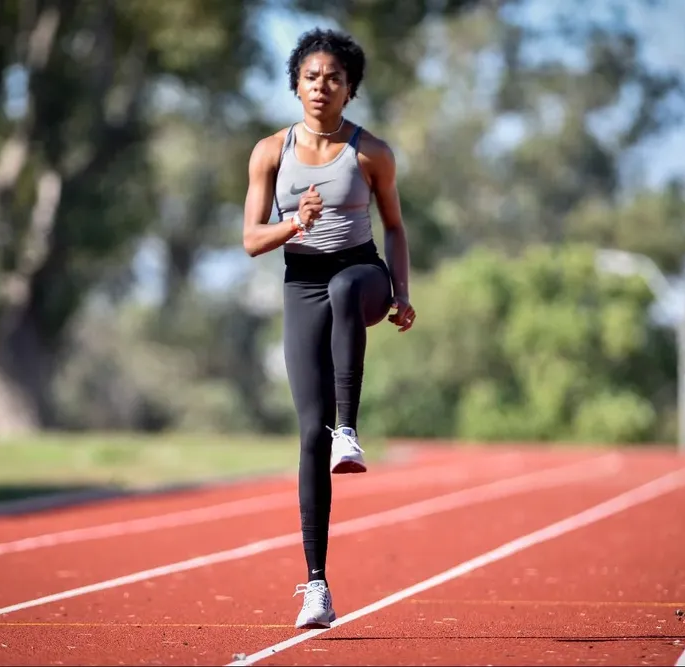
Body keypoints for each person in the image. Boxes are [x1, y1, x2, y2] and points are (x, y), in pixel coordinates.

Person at [242, 27, 416, 630]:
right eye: (312, 77)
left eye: (334, 79)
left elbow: (394, 227)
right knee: (306, 437)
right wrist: (296, 224)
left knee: (346, 289)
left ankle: (351, 427)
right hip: (300, 283)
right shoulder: (270, 152)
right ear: (296, 85)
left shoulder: (372, 153)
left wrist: (403, 292)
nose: (322, 87)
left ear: (350, 90)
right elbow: (249, 241)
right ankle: (316, 587)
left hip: (363, 274)